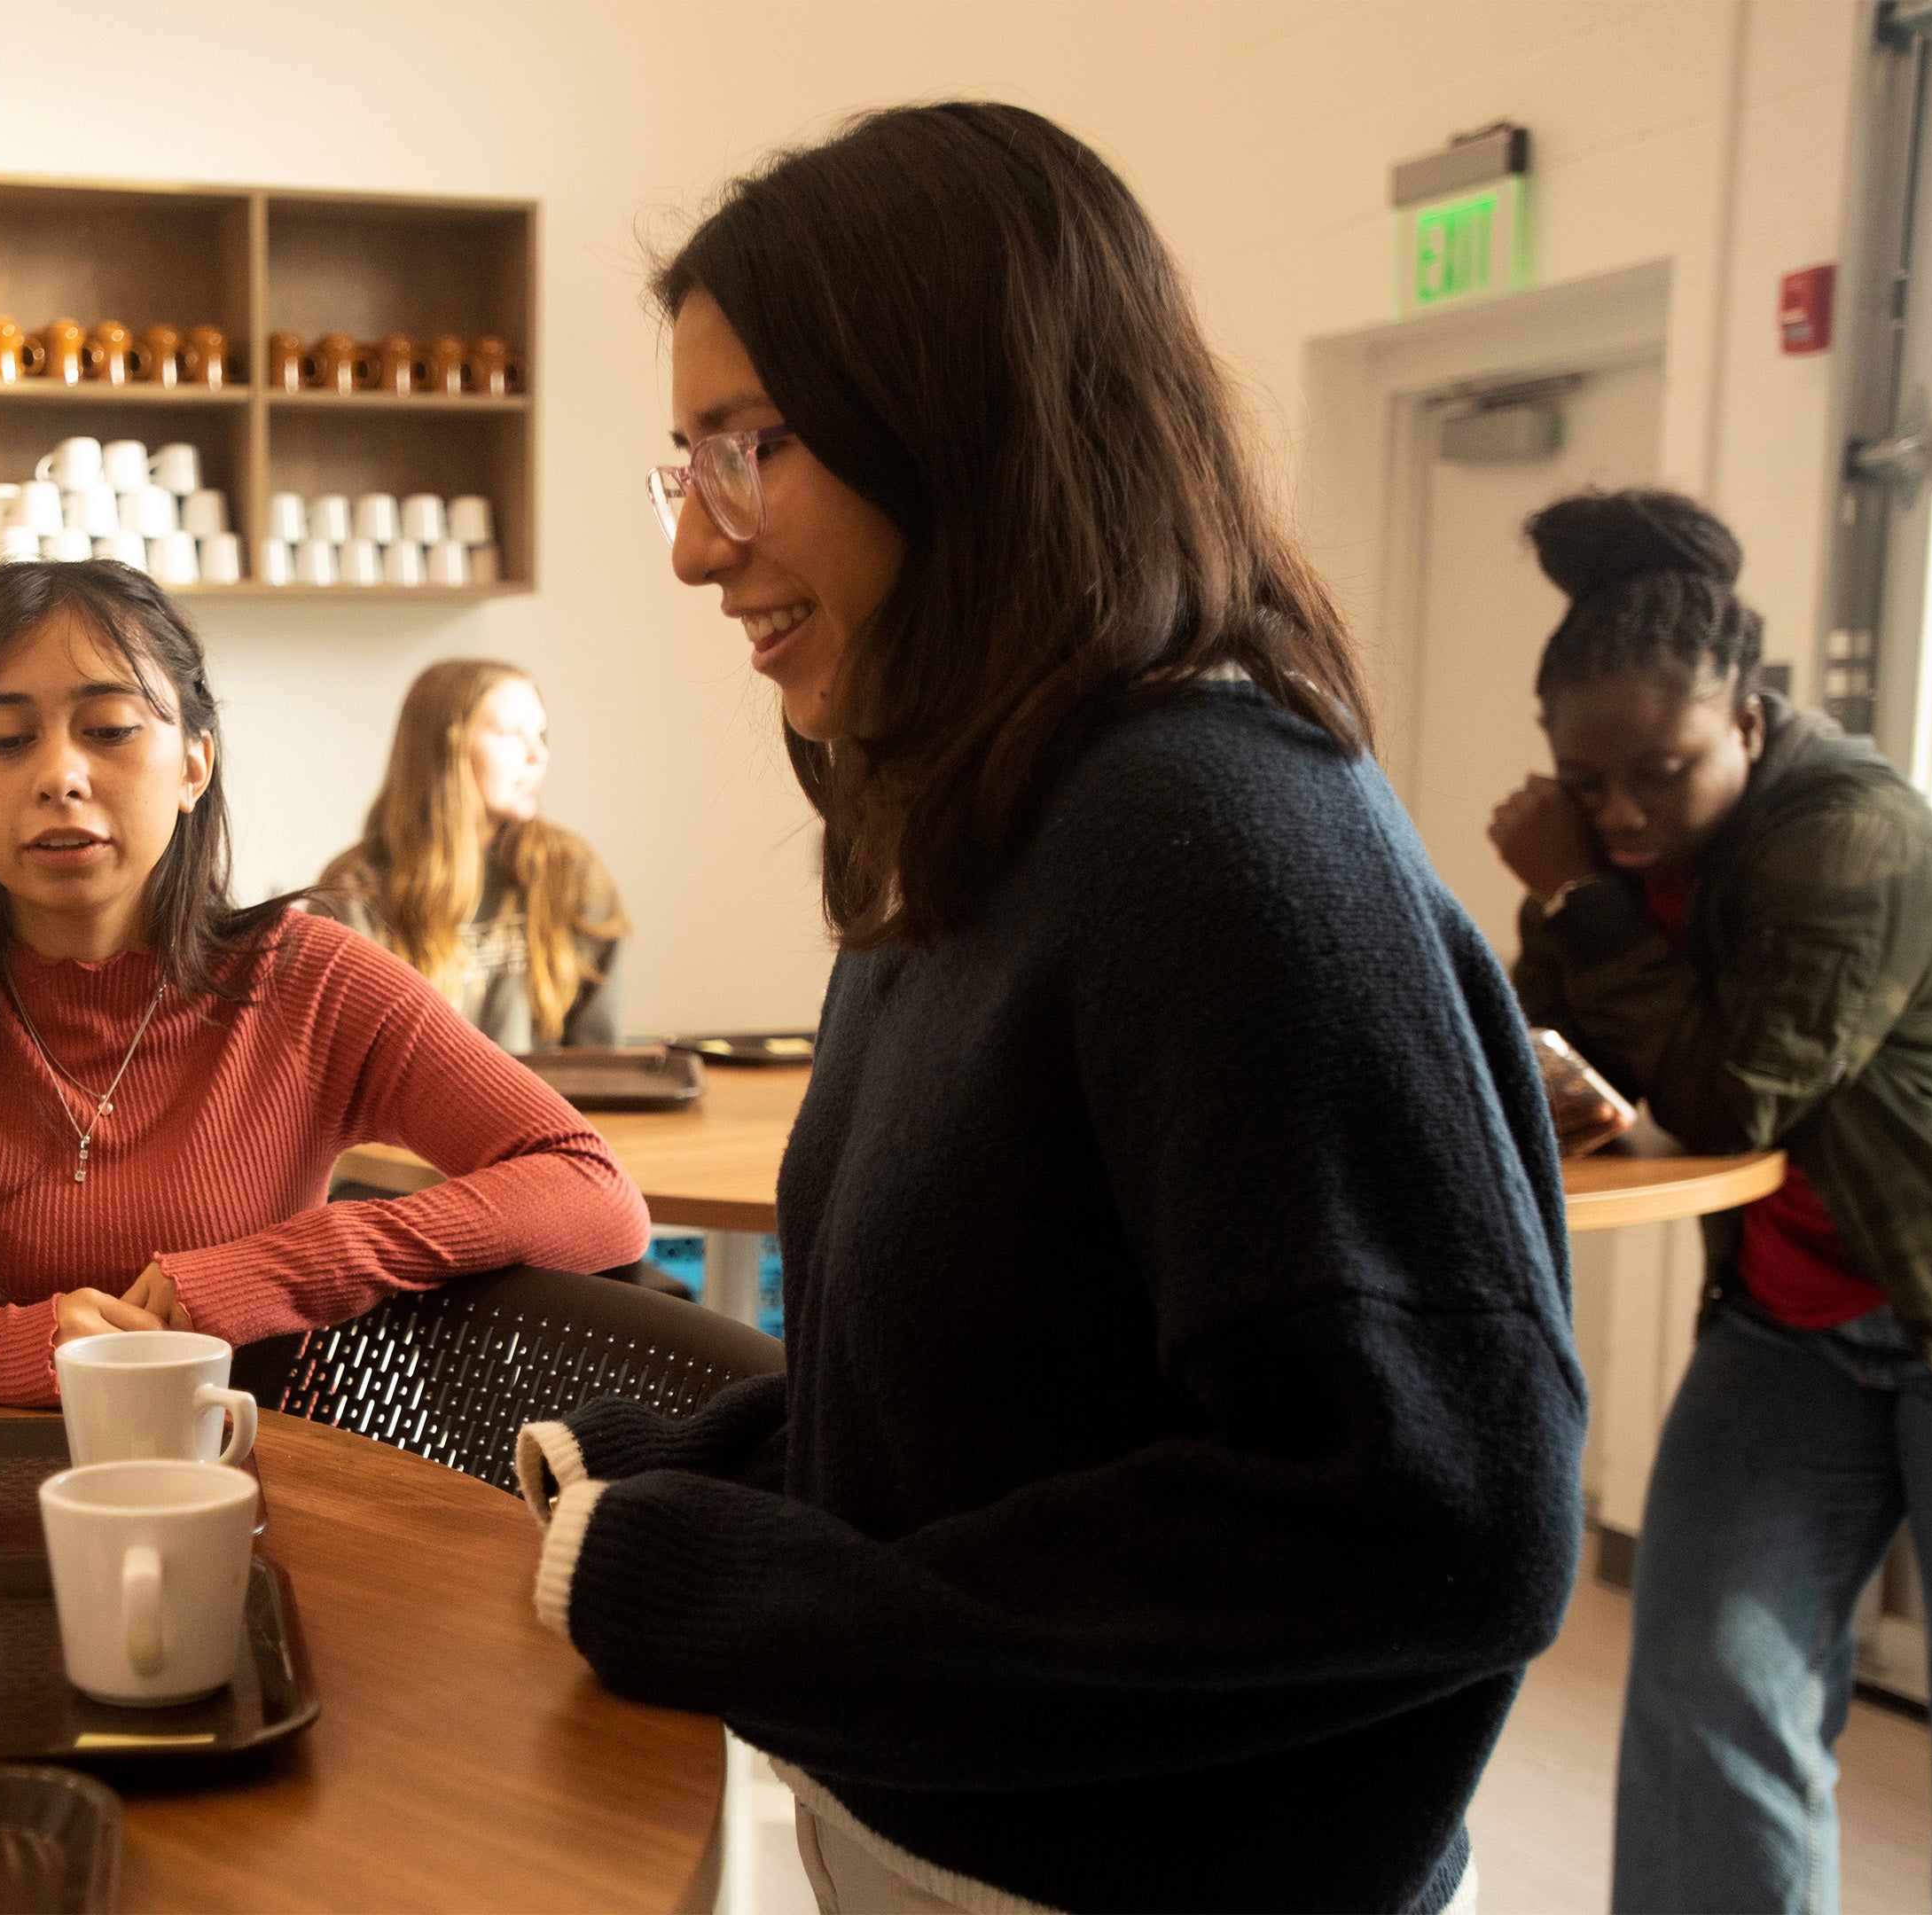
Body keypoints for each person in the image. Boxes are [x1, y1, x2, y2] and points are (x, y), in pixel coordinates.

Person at [507, 103, 1583, 1915]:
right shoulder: (967, 820)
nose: (700, 546)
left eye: (748, 451)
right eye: (680, 465)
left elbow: (1436, 1514)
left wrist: (754, 1602)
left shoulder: (1213, 834)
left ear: (971, 424)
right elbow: (1000, 1396)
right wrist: (669, 1486)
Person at [0, 562, 647, 1402]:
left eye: (110, 727)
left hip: (262, 1494)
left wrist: (276, 1268)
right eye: (4, 736)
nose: (60, 774)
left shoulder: (309, 978)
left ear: (194, 764)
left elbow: (592, 1189)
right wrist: (4, 1345)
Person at [1490, 489, 1932, 1913]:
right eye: (1584, 779)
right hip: (1792, 1318)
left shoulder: (1854, 838)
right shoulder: (1615, 856)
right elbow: (1559, 1040)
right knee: (1704, 1704)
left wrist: (1577, 900)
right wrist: (1560, 929)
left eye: (1659, 774)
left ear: (1750, 721)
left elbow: (1740, 1099)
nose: (1618, 815)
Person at [317, 660, 627, 1051]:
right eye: (511, 733)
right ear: (445, 749)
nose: (538, 755)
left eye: (541, 734)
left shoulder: (570, 871)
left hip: (548, 1112)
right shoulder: (355, 891)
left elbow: (600, 1056)